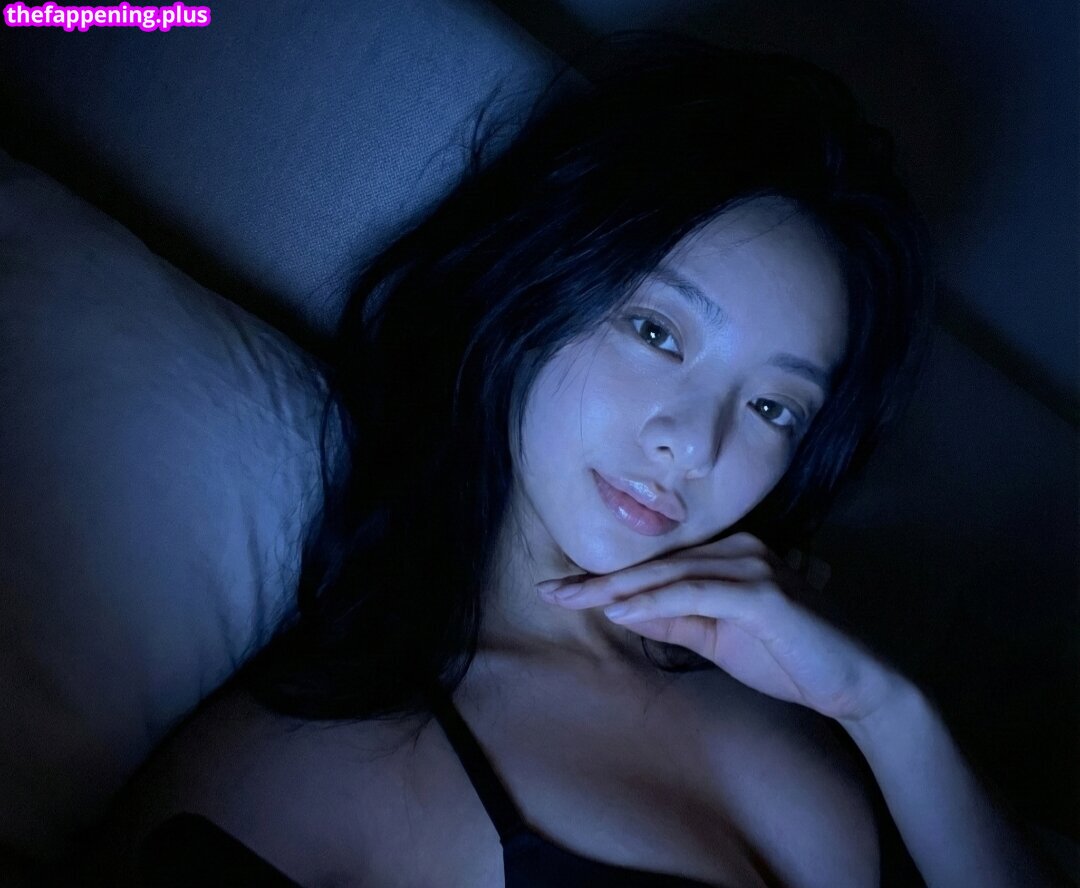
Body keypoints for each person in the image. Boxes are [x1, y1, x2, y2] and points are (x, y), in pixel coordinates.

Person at [98, 35, 1066, 887]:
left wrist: (884, 709)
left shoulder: (801, 678)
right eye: (657, 332)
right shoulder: (315, 770)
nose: (694, 443)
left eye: (774, 407)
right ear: (535, 289)